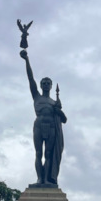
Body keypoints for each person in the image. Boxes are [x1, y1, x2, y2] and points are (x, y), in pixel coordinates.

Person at [20, 49, 66, 186]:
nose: (46, 84)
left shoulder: (54, 102)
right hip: (39, 125)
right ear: (41, 85)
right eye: (44, 83)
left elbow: (64, 119)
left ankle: (47, 180)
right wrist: (26, 59)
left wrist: (58, 110)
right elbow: (30, 77)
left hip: (51, 127)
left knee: (49, 154)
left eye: (48, 83)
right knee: (38, 153)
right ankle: (40, 179)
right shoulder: (37, 97)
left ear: (51, 86)